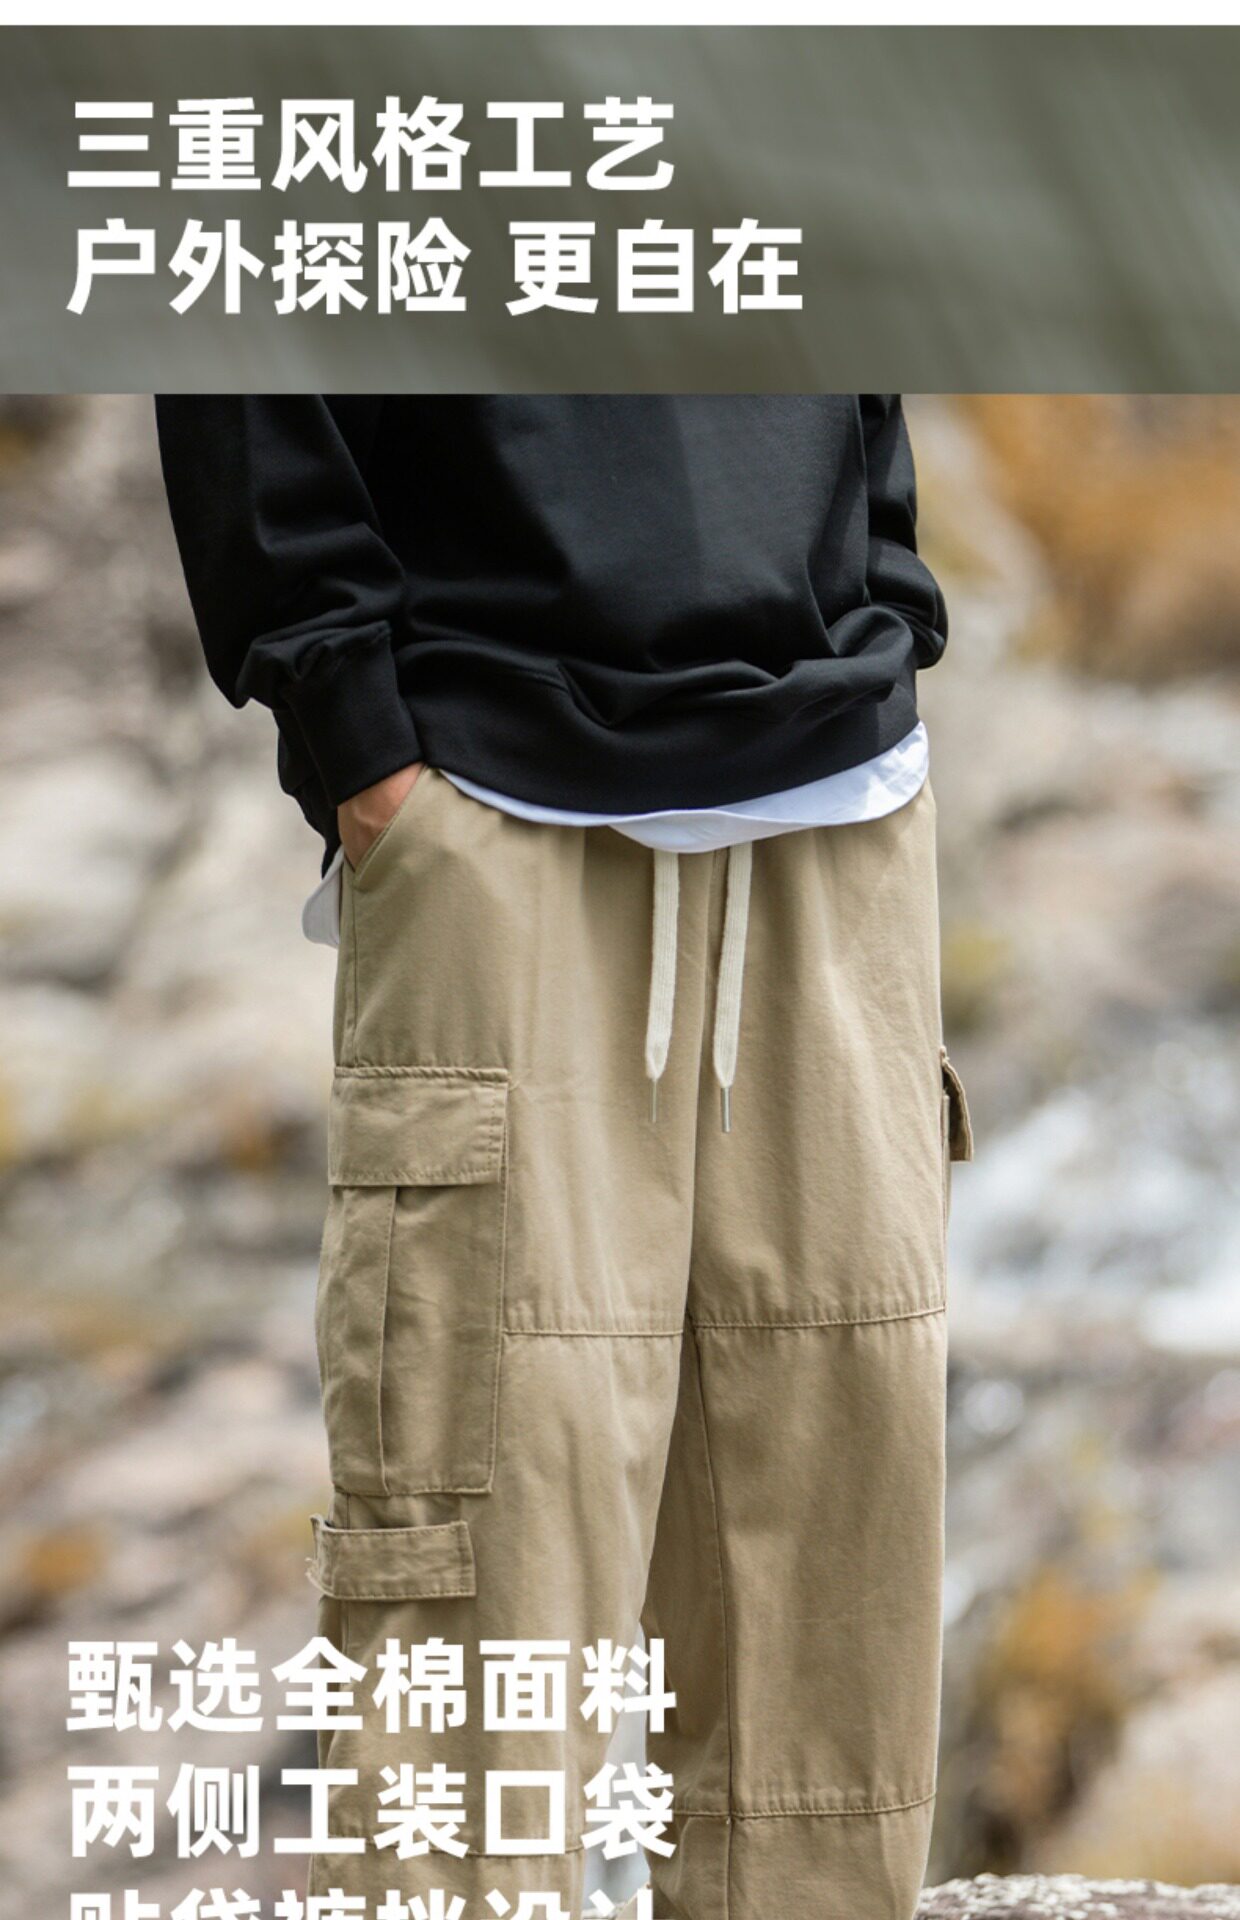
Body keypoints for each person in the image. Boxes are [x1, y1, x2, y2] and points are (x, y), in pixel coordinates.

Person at [155, 394, 972, 1920]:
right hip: (493, 780)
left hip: (836, 773)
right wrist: (348, 717)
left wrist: (882, 579)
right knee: (490, 1532)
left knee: (836, 1526)